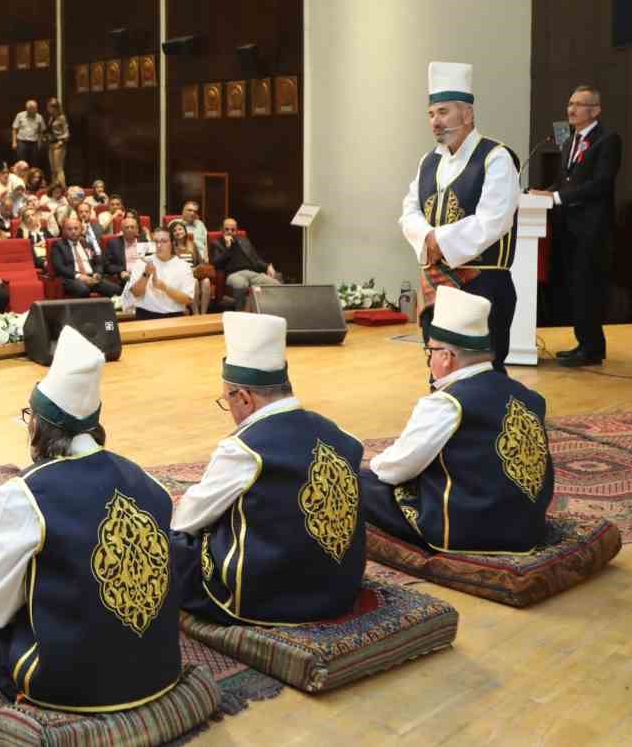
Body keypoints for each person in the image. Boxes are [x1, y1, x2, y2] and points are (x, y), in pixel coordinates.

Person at [0, 327, 181, 709]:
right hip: (160, 667)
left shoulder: (26, 493)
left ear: (39, 426)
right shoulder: (150, 482)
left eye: (29, 418)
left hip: (70, 681)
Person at [170, 312, 365, 625]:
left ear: (244, 398)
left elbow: (186, 520)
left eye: (226, 401)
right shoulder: (342, 436)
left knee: (163, 546)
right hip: (340, 590)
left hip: (265, 598)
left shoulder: (244, 448)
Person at [361, 286, 553, 553]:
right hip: (526, 528)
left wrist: (375, 464)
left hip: (466, 528)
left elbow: (397, 469)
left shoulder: (447, 403)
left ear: (446, 357)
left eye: (430, 352)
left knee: (357, 481)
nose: (429, 361)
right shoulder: (528, 396)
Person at [399, 62, 520, 371]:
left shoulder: (496, 157)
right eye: (431, 114)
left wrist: (438, 241)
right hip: (436, 286)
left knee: (482, 374)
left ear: (467, 114)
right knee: (439, 372)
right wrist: (427, 238)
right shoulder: (428, 161)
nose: (435, 122)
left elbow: (493, 221)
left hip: (483, 285)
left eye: (443, 112)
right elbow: (409, 210)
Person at [532, 84, 621, 367]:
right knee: (575, 286)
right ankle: (584, 342)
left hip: (592, 227)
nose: (571, 109)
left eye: (579, 104)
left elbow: (600, 184)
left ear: (595, 110)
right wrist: (546, 192)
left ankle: (593, 348)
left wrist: (558, 197)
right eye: (570, 103)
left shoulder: (608, 140)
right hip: (568, 226)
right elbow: (566, 179)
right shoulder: (570, 141)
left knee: (588, 286)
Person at [209, 217, 280, 308]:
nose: (230, 232)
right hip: (234, 274)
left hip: (252, 273)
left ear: (236, 231)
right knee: (241, 284)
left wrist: (268, 266)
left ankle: (269, 312)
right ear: (222, 230)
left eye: (233, 230)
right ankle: (240, 313)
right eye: (227, 229)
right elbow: (216, 263)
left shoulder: (244, 241)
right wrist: (228, 248)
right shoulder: (216, 243)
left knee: (275, 284)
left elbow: (255, 259)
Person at [128, 228, 195, 319]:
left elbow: (188, 299)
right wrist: (146, 274)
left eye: (164, 241)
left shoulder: (184, 266)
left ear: (172, 243)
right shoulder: (142, 262)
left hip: (174, 316)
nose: (159, 245)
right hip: (146, 315)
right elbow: (135, 293)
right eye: (156, 241)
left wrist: (164, 288)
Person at [50, 216, 120, 298]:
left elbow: (98, 262)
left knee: (116, 289)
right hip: (72, 279)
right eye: (69, 229)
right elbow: (60, 267)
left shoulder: (86, 243)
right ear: (64, 231)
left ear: (81, 230)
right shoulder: (58, 245)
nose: (73, 231)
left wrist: (97, 273)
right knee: (83, 289)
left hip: (91, 277)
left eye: (76, 228)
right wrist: (79, 276)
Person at [10, 98, 47, 170]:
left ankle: (31, 179)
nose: (36, 110)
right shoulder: (20, 115)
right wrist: (14, 142)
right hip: (22, 142)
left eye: (36, 108)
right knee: (21, 163)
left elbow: (41, 131)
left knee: (34, 163)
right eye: (34, 108)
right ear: (28, 109)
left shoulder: (39, 117)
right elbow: (14, 129)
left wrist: (40, 142)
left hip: (34, 143)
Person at [45, 97, 69, 186]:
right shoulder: (51, 118)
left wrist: (61, 142)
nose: (47, 109)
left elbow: (66, 133)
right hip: (51, 143)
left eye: (49, 107)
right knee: (53, 169)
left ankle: (63, 188)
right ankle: (54, 187)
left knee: (59, 168)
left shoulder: (62, 117)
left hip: (59, 144)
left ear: (54, 108)